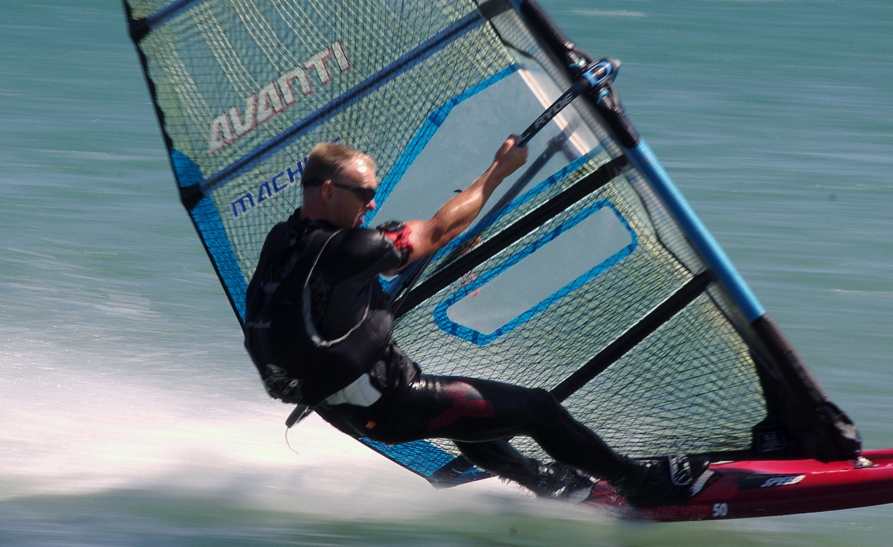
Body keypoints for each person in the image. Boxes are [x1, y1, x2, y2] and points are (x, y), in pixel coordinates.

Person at [242, 138, 690, 507]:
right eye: (363, 193)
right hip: (388, 403)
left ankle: (553, 486)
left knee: (462, 416)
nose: (371, 202)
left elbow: (329, 293)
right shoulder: (350, 249)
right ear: (327, 191)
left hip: (341, 406)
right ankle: (643, 485)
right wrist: (499, 170)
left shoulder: (282, 241)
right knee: (538, 411)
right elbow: (438, 229)